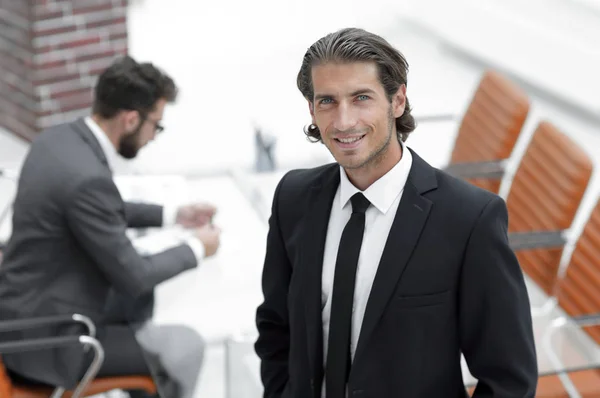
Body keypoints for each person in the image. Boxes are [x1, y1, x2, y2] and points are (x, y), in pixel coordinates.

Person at [254, 28, 537, 397]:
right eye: (327, 101)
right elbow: (276, 325)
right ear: (311, 109)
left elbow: (509, 379)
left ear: (398, 100)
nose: (343, 121)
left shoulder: (468, 220)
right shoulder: (293, 197)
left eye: (361, 98)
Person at [0, 56, 220, 398]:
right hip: (50, 344)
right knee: (184, 347)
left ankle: (143, 373)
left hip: (24, 309)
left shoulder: (56, 141)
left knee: (139, 305)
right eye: (156, 126)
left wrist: (173, 214)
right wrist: (196, 248)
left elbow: (98, 205)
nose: (153, 137)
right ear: (131, 120)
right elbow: (134, 275)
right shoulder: (86, 177)